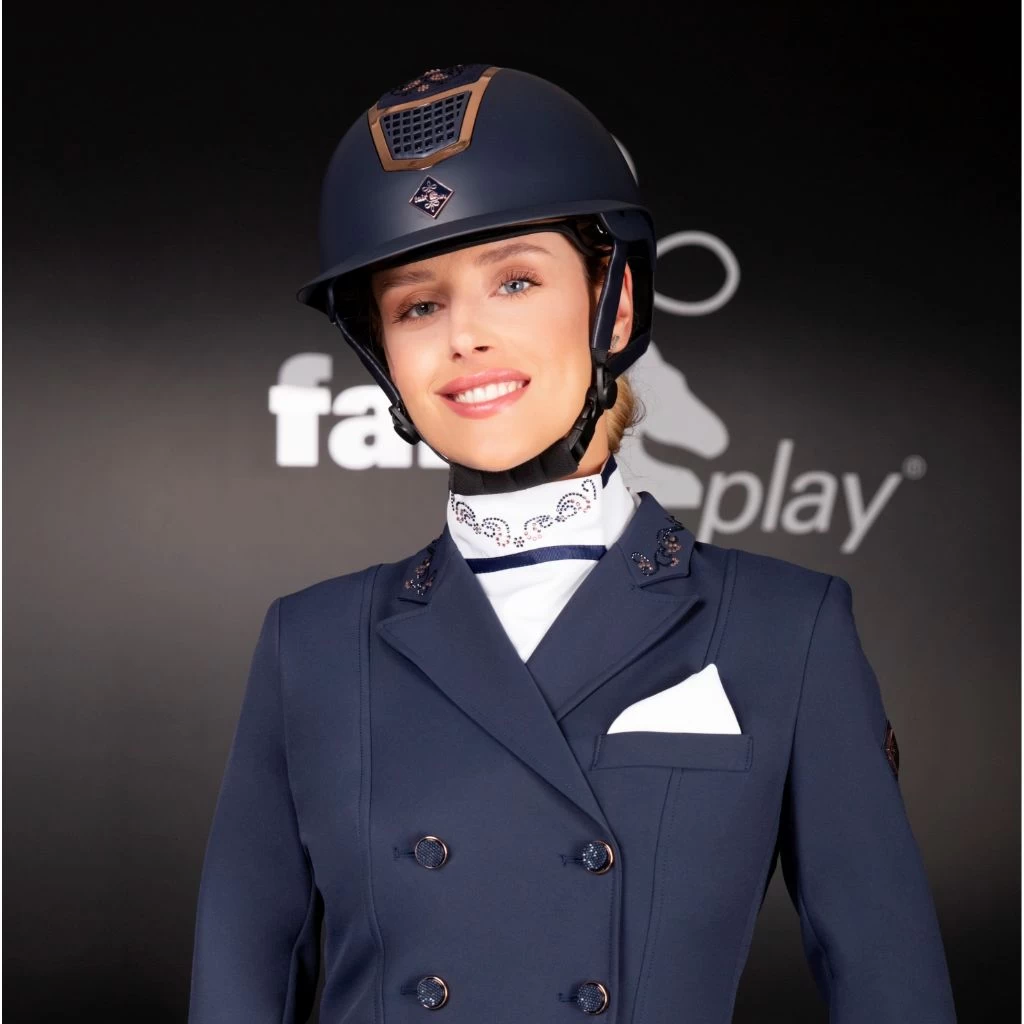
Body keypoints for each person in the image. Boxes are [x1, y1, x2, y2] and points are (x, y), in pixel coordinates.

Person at [187, 64, 957, 1022]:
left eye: (514, 281)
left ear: (614, 305)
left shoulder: (787, 629)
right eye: (418, 305)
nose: (464, 337)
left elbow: (890, 983)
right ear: (385, 355)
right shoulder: (308, 644)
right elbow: (239, 981)